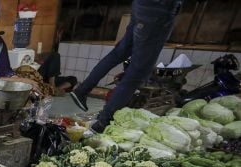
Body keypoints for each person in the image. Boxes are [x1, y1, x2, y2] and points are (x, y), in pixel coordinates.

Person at [69, 0, 182, 132]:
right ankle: (103, 121)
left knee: (119, 53)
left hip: (142, 5)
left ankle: (83, 90)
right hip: (160, 9)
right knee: (138, 72)